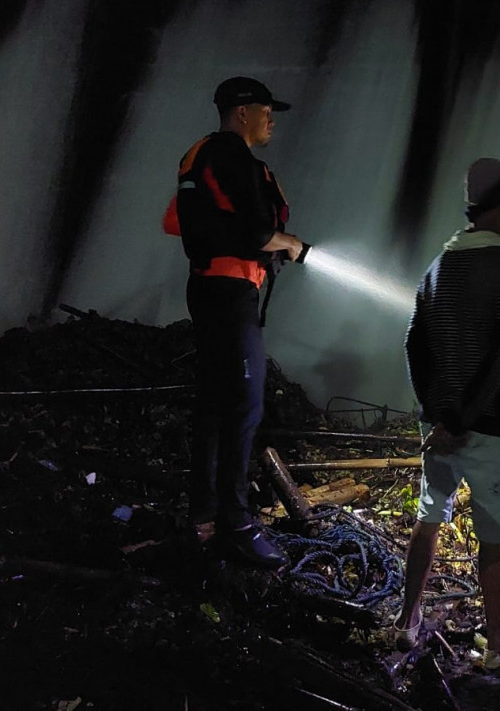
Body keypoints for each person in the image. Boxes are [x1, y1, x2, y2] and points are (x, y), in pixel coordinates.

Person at [395, 158, 500, 669]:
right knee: (493, 539)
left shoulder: (437, 267)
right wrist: (464, 420)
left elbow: (414, 343)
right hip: (490, 426)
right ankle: (497, 647)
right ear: (497, 208)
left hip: (438, 425)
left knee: (428, 517)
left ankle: (406, 623)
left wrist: (436, 414)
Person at [167, 77, 308, 568]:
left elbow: (193, 223)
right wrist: (288, 245)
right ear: (242, 112)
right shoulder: (232, 154)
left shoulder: (202, 154)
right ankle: (237, 523)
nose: (272, 121)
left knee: (213, 403)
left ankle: (204, 514)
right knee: (244, 405)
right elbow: (256, 231)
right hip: (228, 295)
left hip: (210, 288)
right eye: (267, 111)